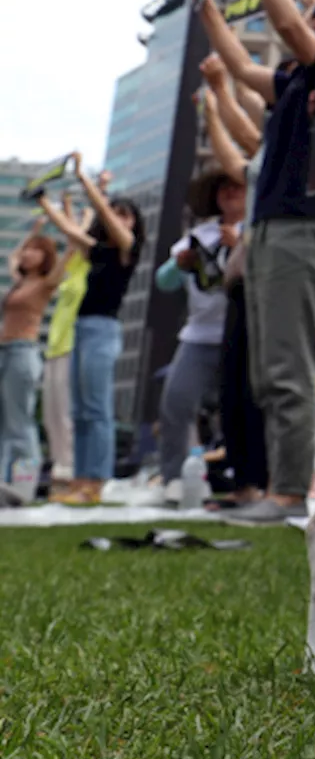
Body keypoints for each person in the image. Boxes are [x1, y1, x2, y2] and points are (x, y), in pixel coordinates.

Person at [197, 0, 315, 523]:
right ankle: (271, 487)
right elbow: (240, 66)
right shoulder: (292, 79)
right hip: (273, 231)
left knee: (287, 367)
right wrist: (207, 9)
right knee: (268, 368)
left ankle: (290, 492)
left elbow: (288, 24)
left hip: (303, 229)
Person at [38, 159, 145, 505]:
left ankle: (96, 480)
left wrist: (87, 181)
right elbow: (71, 232)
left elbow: (107, 219)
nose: (119, 218)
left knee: (97, 409)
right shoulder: (98, 252)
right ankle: (81, 480)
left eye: (125, 214)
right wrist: (43, 201)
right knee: (82, 409)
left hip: (103, 330)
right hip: (82, 329)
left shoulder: (128, 249)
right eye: (116, 213)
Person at [153, 168, 246, 503]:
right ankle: (172, 477)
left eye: (238, 188)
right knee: (175, 403)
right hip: (197, 334)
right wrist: (179, 263)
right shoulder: (200, 233)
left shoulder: (256, 230)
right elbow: (164, 283)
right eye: (224, 189)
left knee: (239, 410)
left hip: (240, 333)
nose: (230, 194)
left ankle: (241, 476)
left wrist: (239, 246)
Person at [199, 66, 269, 505]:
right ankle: (245, 484)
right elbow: (236, 148)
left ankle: (270, 484)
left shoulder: (292, 140)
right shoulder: (264, 159)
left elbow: (245, 130)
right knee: (233, 389)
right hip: (241, 286)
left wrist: (221, 91)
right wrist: (216, 100)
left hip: (268, 276)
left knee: (261, 387)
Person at [0, 221, 69, 488]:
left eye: (35, 250)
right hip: (4, 351)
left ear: (45, 258)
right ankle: (5, 481)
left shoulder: (45, 283)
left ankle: (25, 483)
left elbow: (69, 254)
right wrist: (34, 231)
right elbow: (13, 256)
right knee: (5, 421)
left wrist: (73, 225)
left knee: (20, 421)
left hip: (22, 351)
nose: (27, 254)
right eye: (28, 250)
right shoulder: (19, 283)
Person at [41, 191, 96, 491]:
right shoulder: (71, 270)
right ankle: (59, 464)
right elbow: (72, 234)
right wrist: (68, 205)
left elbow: (75, 233)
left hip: (73, 344)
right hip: (54, 344)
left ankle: (71, 466)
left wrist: (66, 210)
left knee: (65, 412)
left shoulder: (89, 267)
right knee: (50, 413)